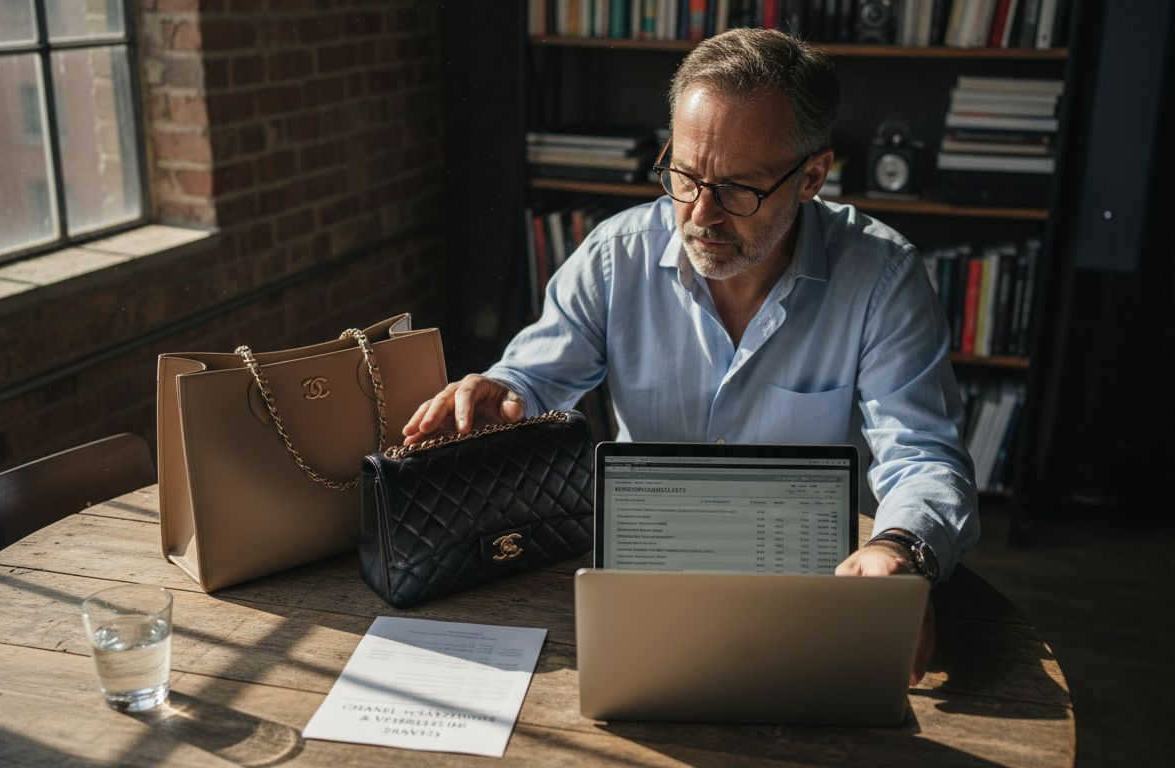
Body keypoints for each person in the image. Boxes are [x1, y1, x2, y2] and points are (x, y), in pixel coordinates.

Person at [404, 27, 979, 683]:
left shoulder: (881, 278)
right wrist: (500, 393)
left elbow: (922, 453)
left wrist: (899, 549)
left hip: (816, 587)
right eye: (683, 174)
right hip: (647, 571)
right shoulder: (614, 256)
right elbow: (532, 379)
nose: (700, 215)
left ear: (813, 176)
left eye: (738, 188)